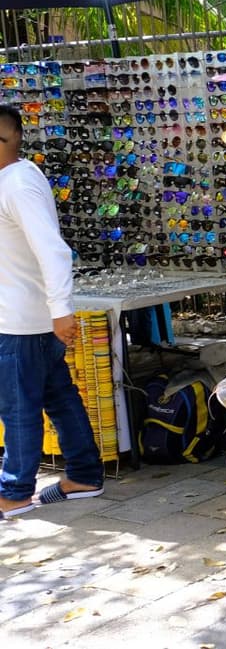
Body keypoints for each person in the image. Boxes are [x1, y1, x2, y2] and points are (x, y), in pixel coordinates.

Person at [0, 105, 104, 518]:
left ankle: (14, 492)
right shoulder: (17, 176)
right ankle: (84, 474)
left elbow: (52, 250)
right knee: (56, 395)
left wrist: (61, 310)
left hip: (20, 321)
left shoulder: (17, 185)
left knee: (18, 406)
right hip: (27, 315)